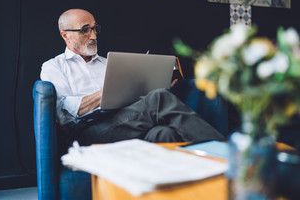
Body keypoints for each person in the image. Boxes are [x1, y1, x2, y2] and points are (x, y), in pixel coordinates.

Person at [40, 8, 225, 146]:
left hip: (122, 122)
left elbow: (130, 102)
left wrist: (150, 85)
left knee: (163, 133)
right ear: (65, 35)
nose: (93, 35)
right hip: (84, 133)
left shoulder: (109, 64)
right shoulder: (53, 67)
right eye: (85, 30)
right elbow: (64, 114)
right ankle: (225, 155)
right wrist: (108, 93)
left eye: (95, 29)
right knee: (158, 99)